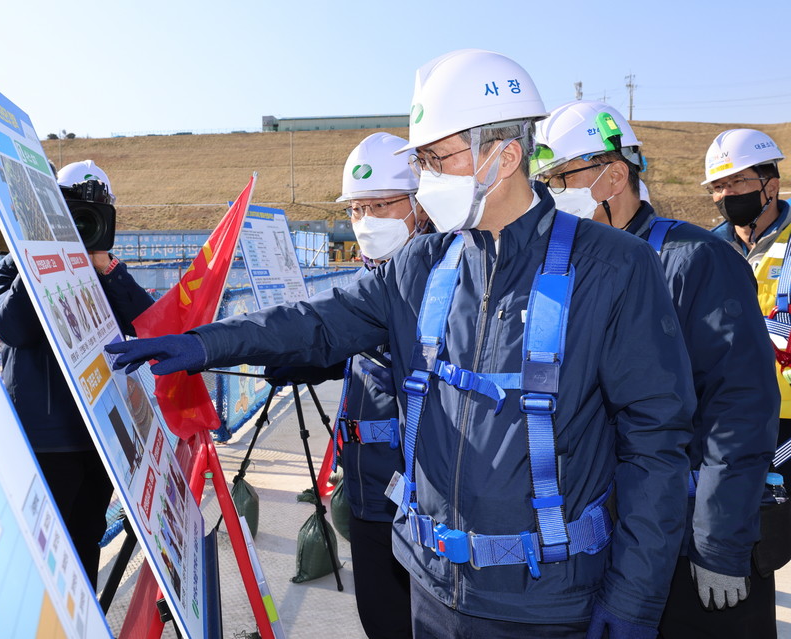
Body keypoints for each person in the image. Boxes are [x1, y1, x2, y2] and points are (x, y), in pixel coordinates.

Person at [106, 49, 695, 638]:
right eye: (423, 161)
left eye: (437, 160)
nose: (425, 179)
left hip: (550, 605)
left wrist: (634, 600)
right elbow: (316, 322)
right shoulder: (424, 265)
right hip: (431, 590)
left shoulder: (615, 268)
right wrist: (204, 343)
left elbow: (656, 448)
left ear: (505, 155)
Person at [532, 101, 779, 639]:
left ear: (614, 175)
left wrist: (720, 543)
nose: (548, 194)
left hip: (690, 542)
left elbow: (739, 407)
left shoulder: (694, 261)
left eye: (558, 178)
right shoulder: (566, 273)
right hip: (611, 539)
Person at [268, 132, 429, 639]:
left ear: (419, 204)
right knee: (379, 620)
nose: (367, 223)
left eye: (381, 206)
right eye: (357, 210)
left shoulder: (444, 277)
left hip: (415, 496)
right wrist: (309, 364)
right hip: (364, 489)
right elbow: (360, 348)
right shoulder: (371, 274)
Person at [0, 160, 153, 588]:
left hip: (100, 432)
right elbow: (13, 328)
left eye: (90, 215)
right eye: (71, 213)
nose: (80, 225)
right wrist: (42, 257)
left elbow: (148, 325)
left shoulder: (107, 270)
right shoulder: (12, 265)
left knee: (86, 537)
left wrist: (108, 269)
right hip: (45, 440)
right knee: (41, 551)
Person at [705, 131, 791, 454]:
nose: (727, 193)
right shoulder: (706, 249)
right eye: (718, 186)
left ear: (770, 186)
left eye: (737, 182)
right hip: (726, 415)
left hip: (785, 415)